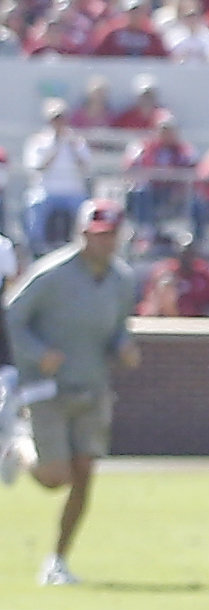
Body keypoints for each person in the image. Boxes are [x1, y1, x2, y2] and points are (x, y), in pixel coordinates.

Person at [10, 197, 143, 585]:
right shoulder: (50, 275)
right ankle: (18, 447)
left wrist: (123, 347)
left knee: (84, 472)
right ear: (82, 235)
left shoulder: (122, 280)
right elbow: (12, 317)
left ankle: (58, 560)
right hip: (47, 387)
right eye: (97, 236)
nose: (104, 243)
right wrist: (37, 353)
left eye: (110, 236)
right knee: (54, 476)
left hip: (93, 385)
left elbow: (118, 327)